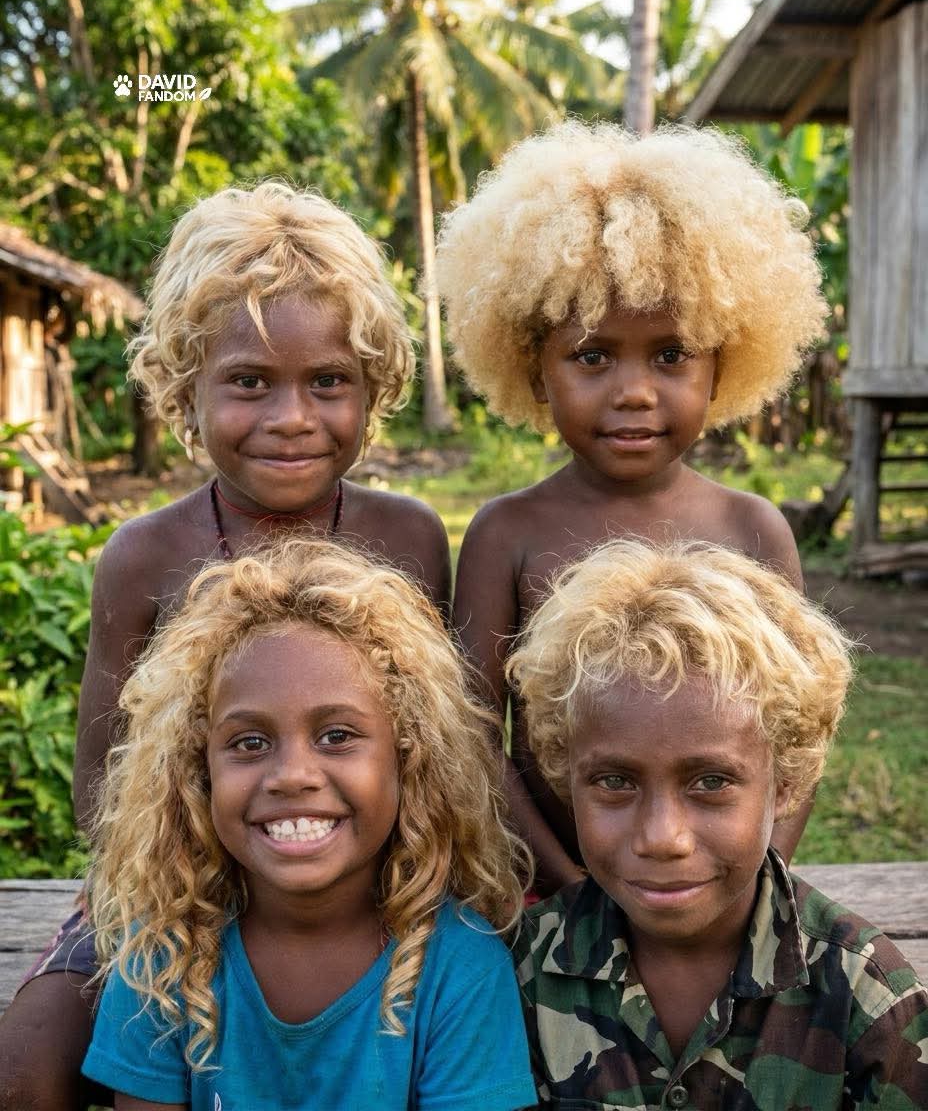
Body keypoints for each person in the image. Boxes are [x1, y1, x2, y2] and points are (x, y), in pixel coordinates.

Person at [0, 181, 450, 1111]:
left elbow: (439, 747)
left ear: (376, 387)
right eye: (249, 381)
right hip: (173, 884)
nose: (291, 416)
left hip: (360, 881)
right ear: (184, 385)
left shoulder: (406, 541)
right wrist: (160, 894)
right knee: (28, 1063)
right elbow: (104, 770)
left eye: (328, 381)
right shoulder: (145, 556)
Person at [437, 121, 828, 896]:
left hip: (718, 893)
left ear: (727, 363)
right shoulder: (507, 535)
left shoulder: (753, 531)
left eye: (672, 355)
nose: (635, 390)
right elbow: (471, 742)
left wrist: (762, 877)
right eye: (592, 357)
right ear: (534, 370)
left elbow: (800, 736)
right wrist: (568, 887)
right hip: (551, 903)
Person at [79, 539, 535, 1110]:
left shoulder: (459, 967)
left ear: (409, 757)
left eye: (337, 736)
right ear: (198, 772)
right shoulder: (163, 957)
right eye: (250, 742)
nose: (292, 775)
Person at [507, 539, 928, 1109]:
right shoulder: (518, 975)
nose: (662, 837)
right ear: (566, 773)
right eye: (615, 782)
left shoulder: (869, 1002)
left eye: (710, 782)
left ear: (786, 783)